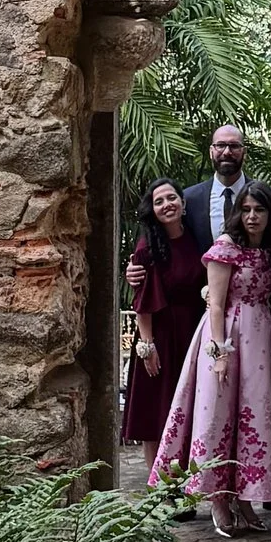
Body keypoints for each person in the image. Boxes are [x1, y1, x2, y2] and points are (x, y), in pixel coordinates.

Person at [153, 179, 271, 536]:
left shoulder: (270, 250)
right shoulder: (225, 247)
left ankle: (246, 497)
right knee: (217, 415)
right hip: (226, 334)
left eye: (259, 210)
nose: (252, 216)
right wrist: (220, 353)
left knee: (252, 416)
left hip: (259, 338)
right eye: (246, 209)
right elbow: (217, 305)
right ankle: (216, 499)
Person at [120, 180, 207, 479]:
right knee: (155, 412)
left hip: (192, 334)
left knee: (187, 409)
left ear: (183, 203)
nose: (167, 205)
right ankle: (159, 484)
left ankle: (184, 480)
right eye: (159, 201)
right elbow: (142, 301)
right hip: (158, 336)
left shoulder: (196, 239)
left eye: (172, 198)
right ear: (153, 210)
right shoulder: (147, 246)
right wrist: (147, 347)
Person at [181, 122, 251, 247]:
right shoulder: (189, 199)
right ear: (211, 151)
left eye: (234, 146)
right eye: (220, 145)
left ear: (244, 152)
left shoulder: (267, 197)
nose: (227, 152)